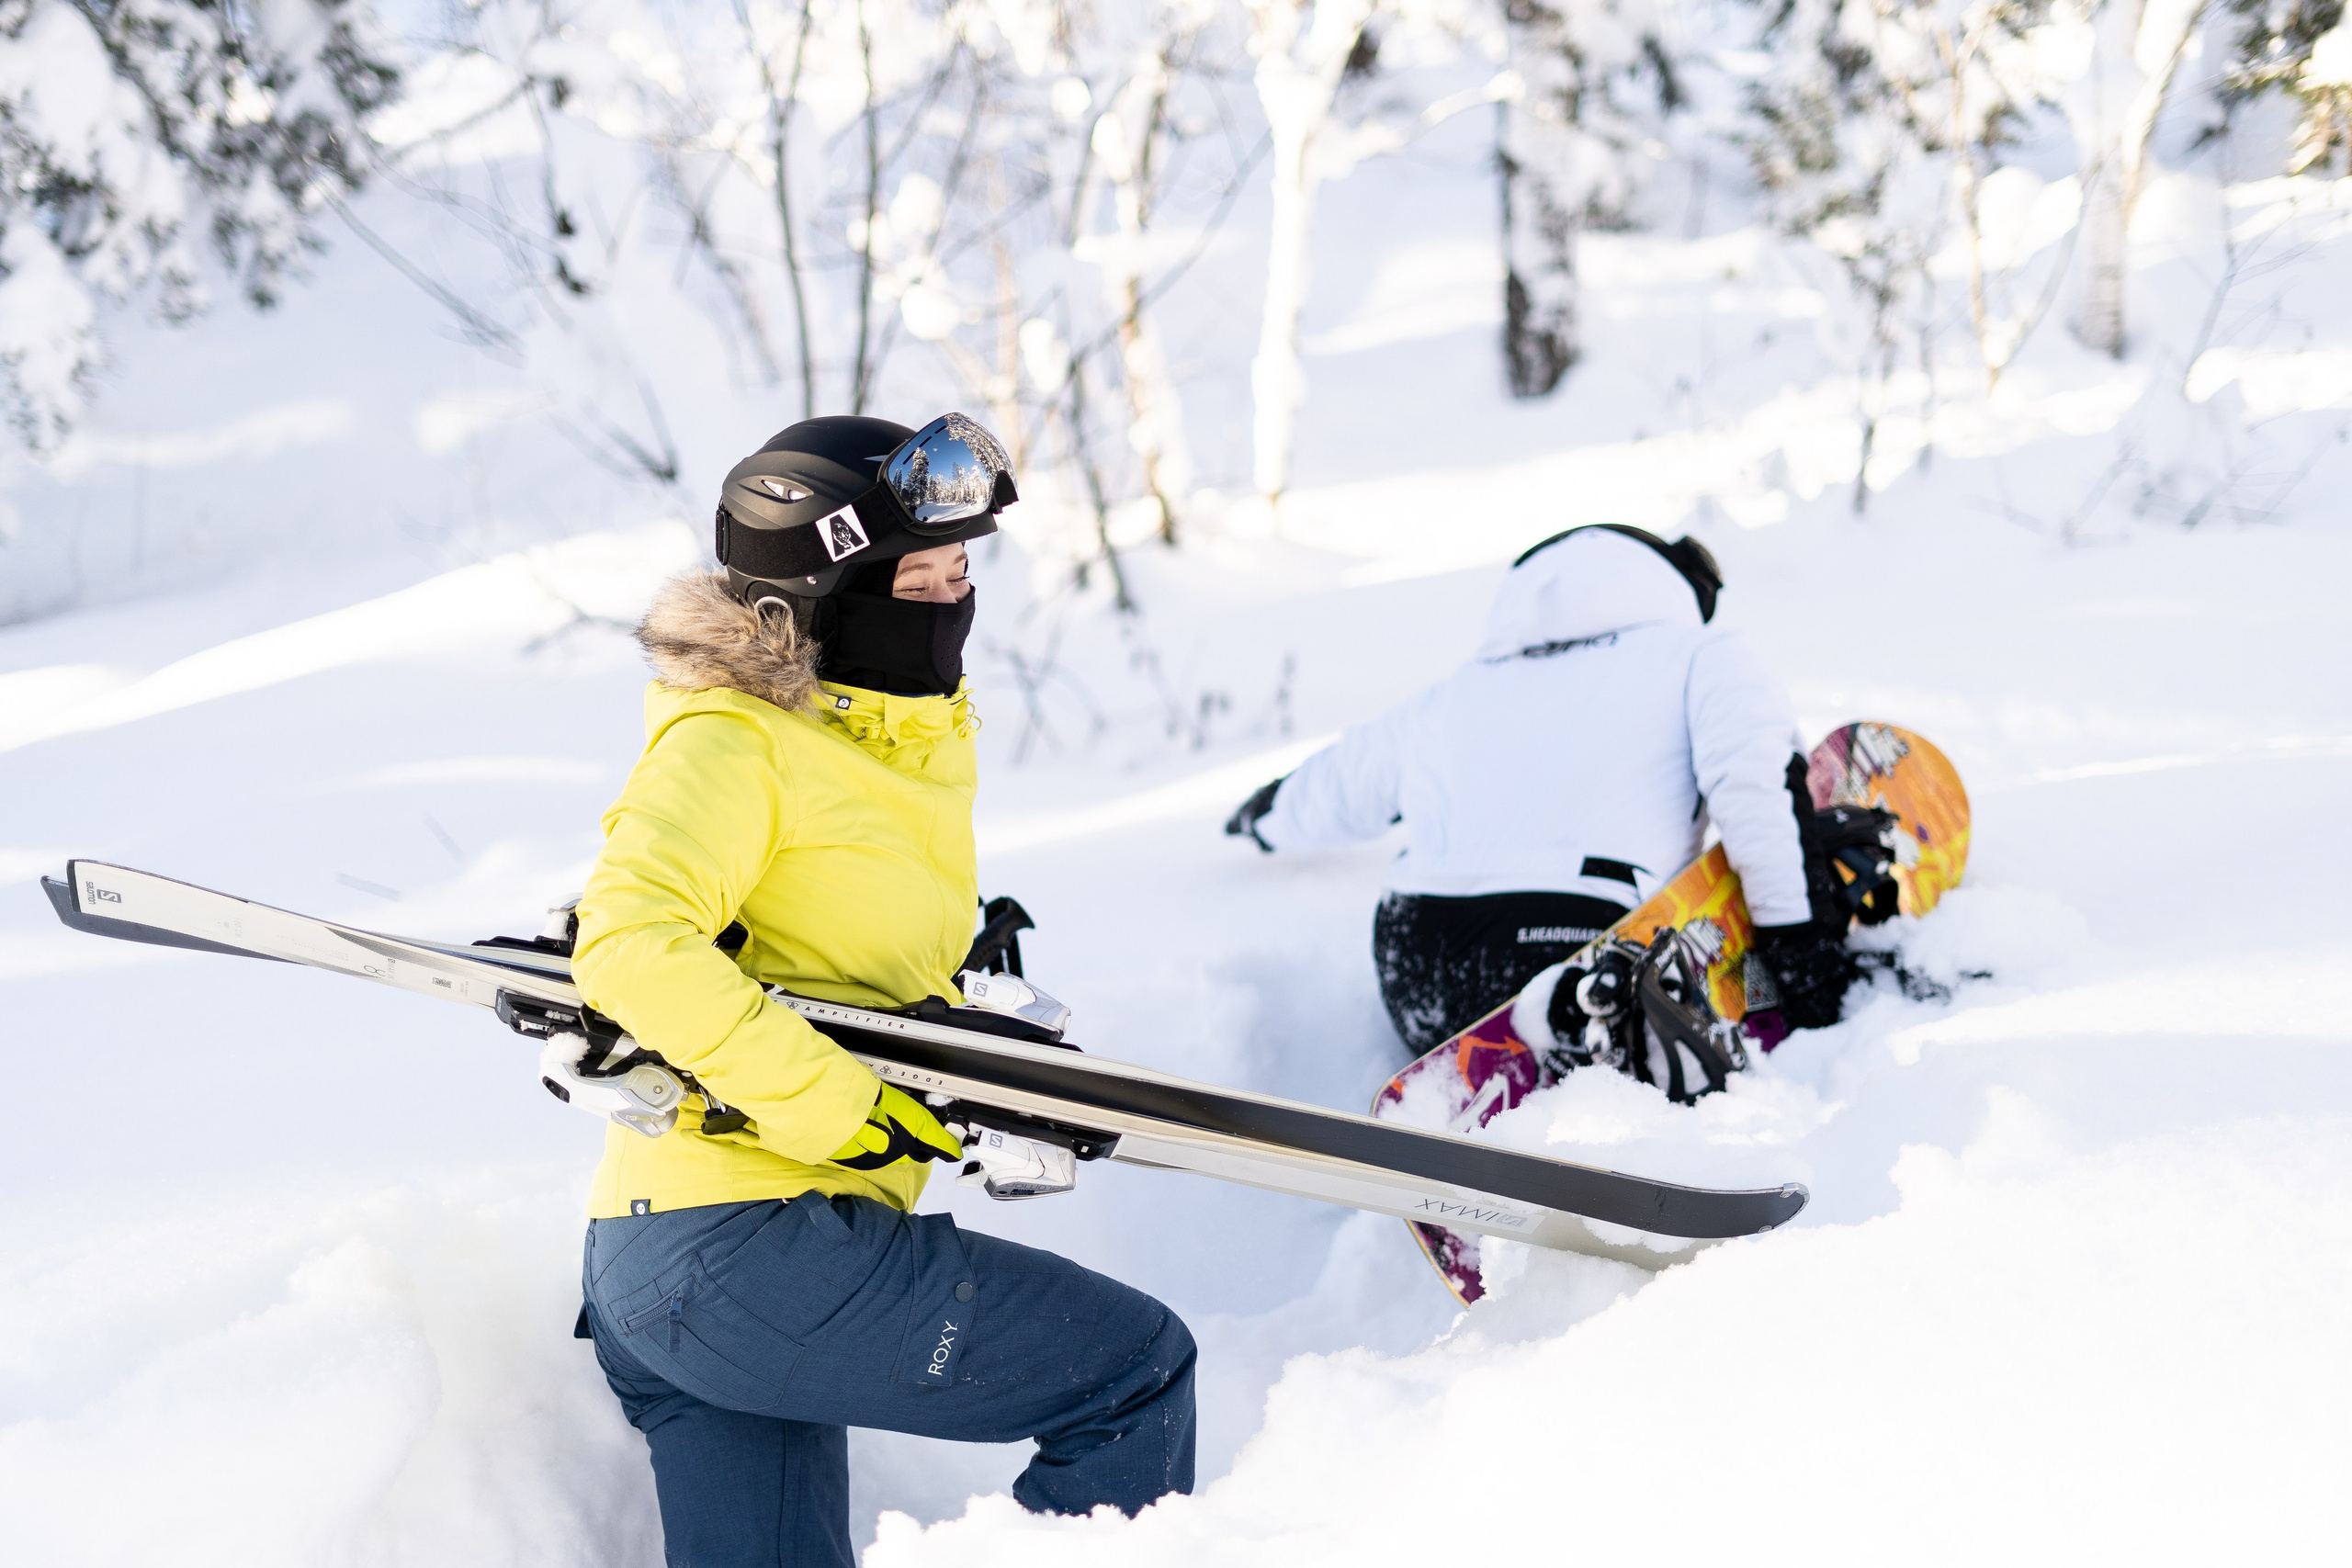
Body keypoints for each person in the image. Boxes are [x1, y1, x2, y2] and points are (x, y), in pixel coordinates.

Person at [572, 413, 1196, 1568]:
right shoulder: (733, 743)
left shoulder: (873, 746)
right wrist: (842, 1109)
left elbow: (811, 953)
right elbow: (625, 942)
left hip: (690, 1271)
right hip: (748, 1245)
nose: (956, 601)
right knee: (1132, 1372)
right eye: (924, 579)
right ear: (807, 604)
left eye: (964, 573)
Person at [1224, 524, 1859, 1076]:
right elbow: (1759, 790)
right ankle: (1581, 1035)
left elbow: (1341, 780)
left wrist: (1265, 815)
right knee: (1611, 996)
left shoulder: (1462, 688)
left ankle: (1504, 1058)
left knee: (1470, 985)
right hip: (1580, 938)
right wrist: (1802, 950)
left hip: (1415, 954)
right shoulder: (1701, 655)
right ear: (1683, 584)